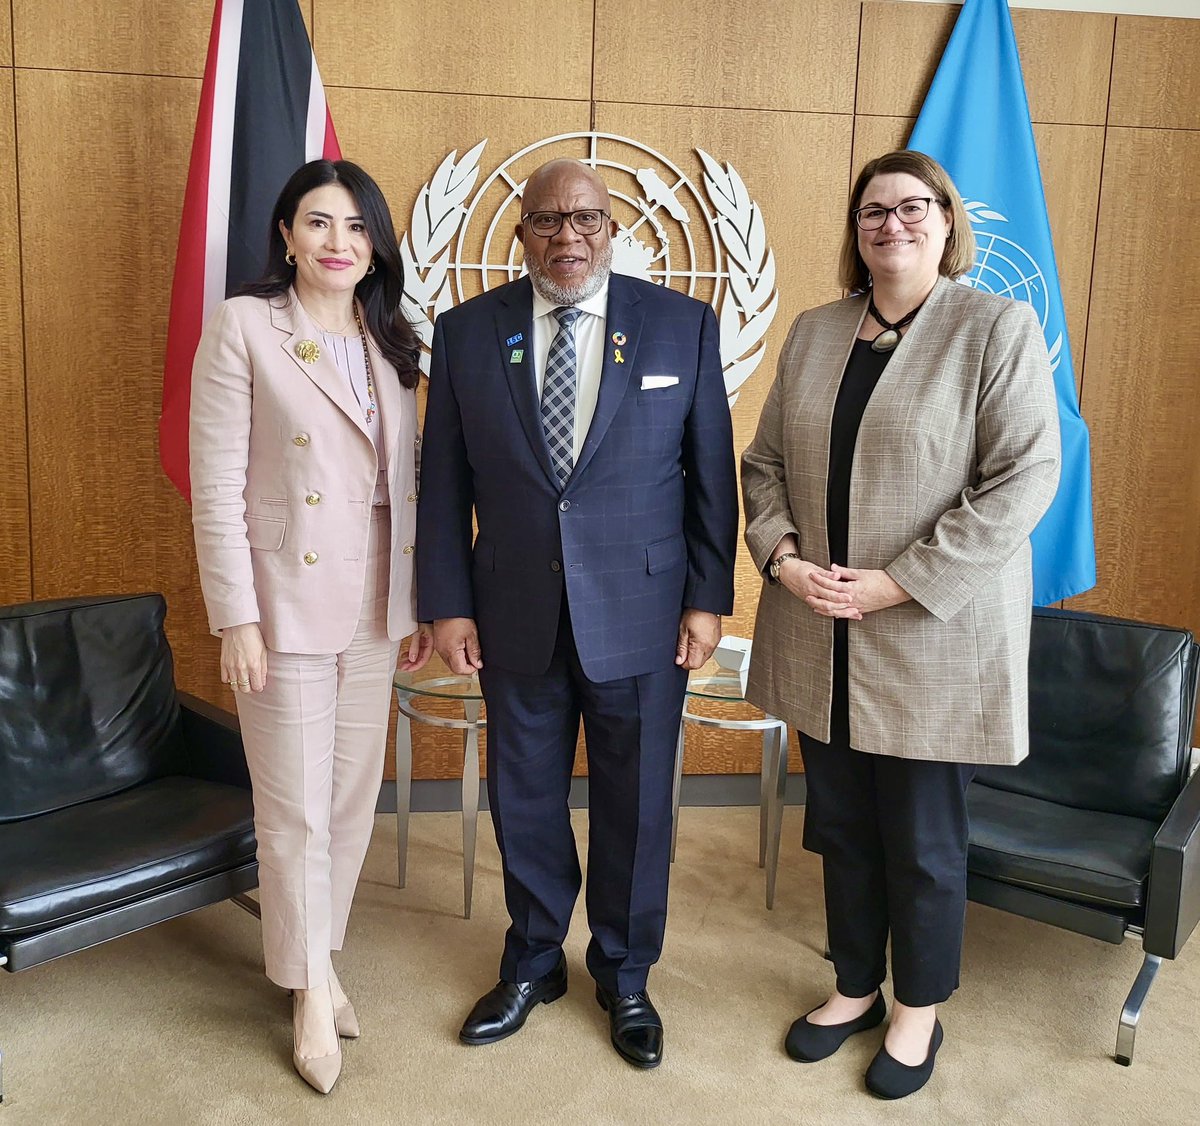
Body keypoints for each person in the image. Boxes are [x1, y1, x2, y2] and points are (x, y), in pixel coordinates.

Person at [741, 150, 1061, 1100]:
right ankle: (853, 989)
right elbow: (762, 465)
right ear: (855, 227)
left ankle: (918, 1012)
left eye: (913, 207)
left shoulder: (993, 327)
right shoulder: (815, 331)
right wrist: (782, 555)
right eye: (873, 210)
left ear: (946, 219)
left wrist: (901, 583)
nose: (893, 223)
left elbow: (1023, 478)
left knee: (922, 839)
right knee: (840, 825)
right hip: (818, 627)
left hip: (929, 634)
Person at [416, 158, 738, 1069]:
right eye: (549, 220)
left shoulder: (680, 326)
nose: (569, 237)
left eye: (588, 220)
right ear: (520, 233)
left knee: (637, 807)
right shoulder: (466, 333)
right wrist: (446, 604)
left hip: (644, 613)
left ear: (612, 230)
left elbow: (710, 475)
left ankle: (626, 974)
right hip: (511, 608)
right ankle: (531, 960)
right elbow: (443, 481)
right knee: (524, 799)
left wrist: (708, 600)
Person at [190, 158, 433, 1094]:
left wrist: (413, 603)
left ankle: (317, 956)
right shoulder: (248, 325)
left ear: (375, 247)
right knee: (290, 808)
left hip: (376, 602)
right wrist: (234, 617)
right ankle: (305, 988)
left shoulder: (393, 342)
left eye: (357, 227)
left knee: (346, 799)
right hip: (282, 600)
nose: (339, 242)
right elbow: (215, 483)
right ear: (286, 236)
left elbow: (402, 492)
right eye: (319, 223)